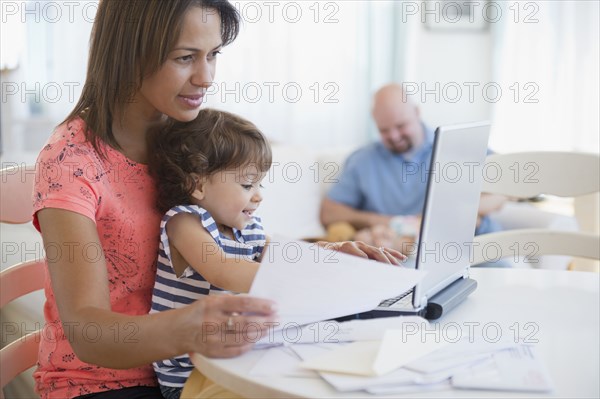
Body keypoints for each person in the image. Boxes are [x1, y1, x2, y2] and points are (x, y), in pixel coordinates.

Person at [32, 2, 404, 398]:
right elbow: (89, 333)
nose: (206, 77)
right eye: (185, 57)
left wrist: (322, 257)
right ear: (128, 51)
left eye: (213, 55)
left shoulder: (189, 138)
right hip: (102, 383)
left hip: (202, 367)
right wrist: (192, 325)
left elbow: (238, 242)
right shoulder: (71, 162)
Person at [147, 109, 272, 399]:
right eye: (247, 184)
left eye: (260, 184)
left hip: (234, 361)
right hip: (188, 374)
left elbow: (283, 256)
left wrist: (327, 256)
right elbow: (221, 269)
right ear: (198, 185)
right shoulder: (184, 222)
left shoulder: (248, 228)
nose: (258, 195)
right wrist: (284, 275)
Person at [320, 83, 507, 252]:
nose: (393, 136)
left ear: (417, 112)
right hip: (404, 254)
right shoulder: (363, 161)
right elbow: (329, 212)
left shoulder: (455, 146)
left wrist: (443, 215)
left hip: (473, 246)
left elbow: (504, 185)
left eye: (401, 125)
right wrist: (387, 222)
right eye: (384, 130)